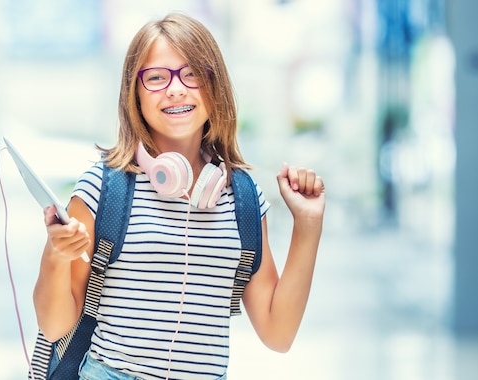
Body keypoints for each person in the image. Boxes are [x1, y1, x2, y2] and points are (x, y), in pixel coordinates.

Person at [33, 12, 325, 380]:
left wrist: (308, 225)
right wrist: (56, 256)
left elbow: (278, 333)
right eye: (156, 77)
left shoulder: (244, 201)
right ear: (134, 95)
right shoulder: (103, 188)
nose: (175, 88)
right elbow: (56, 325)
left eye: (192, 74)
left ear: (214, 87)